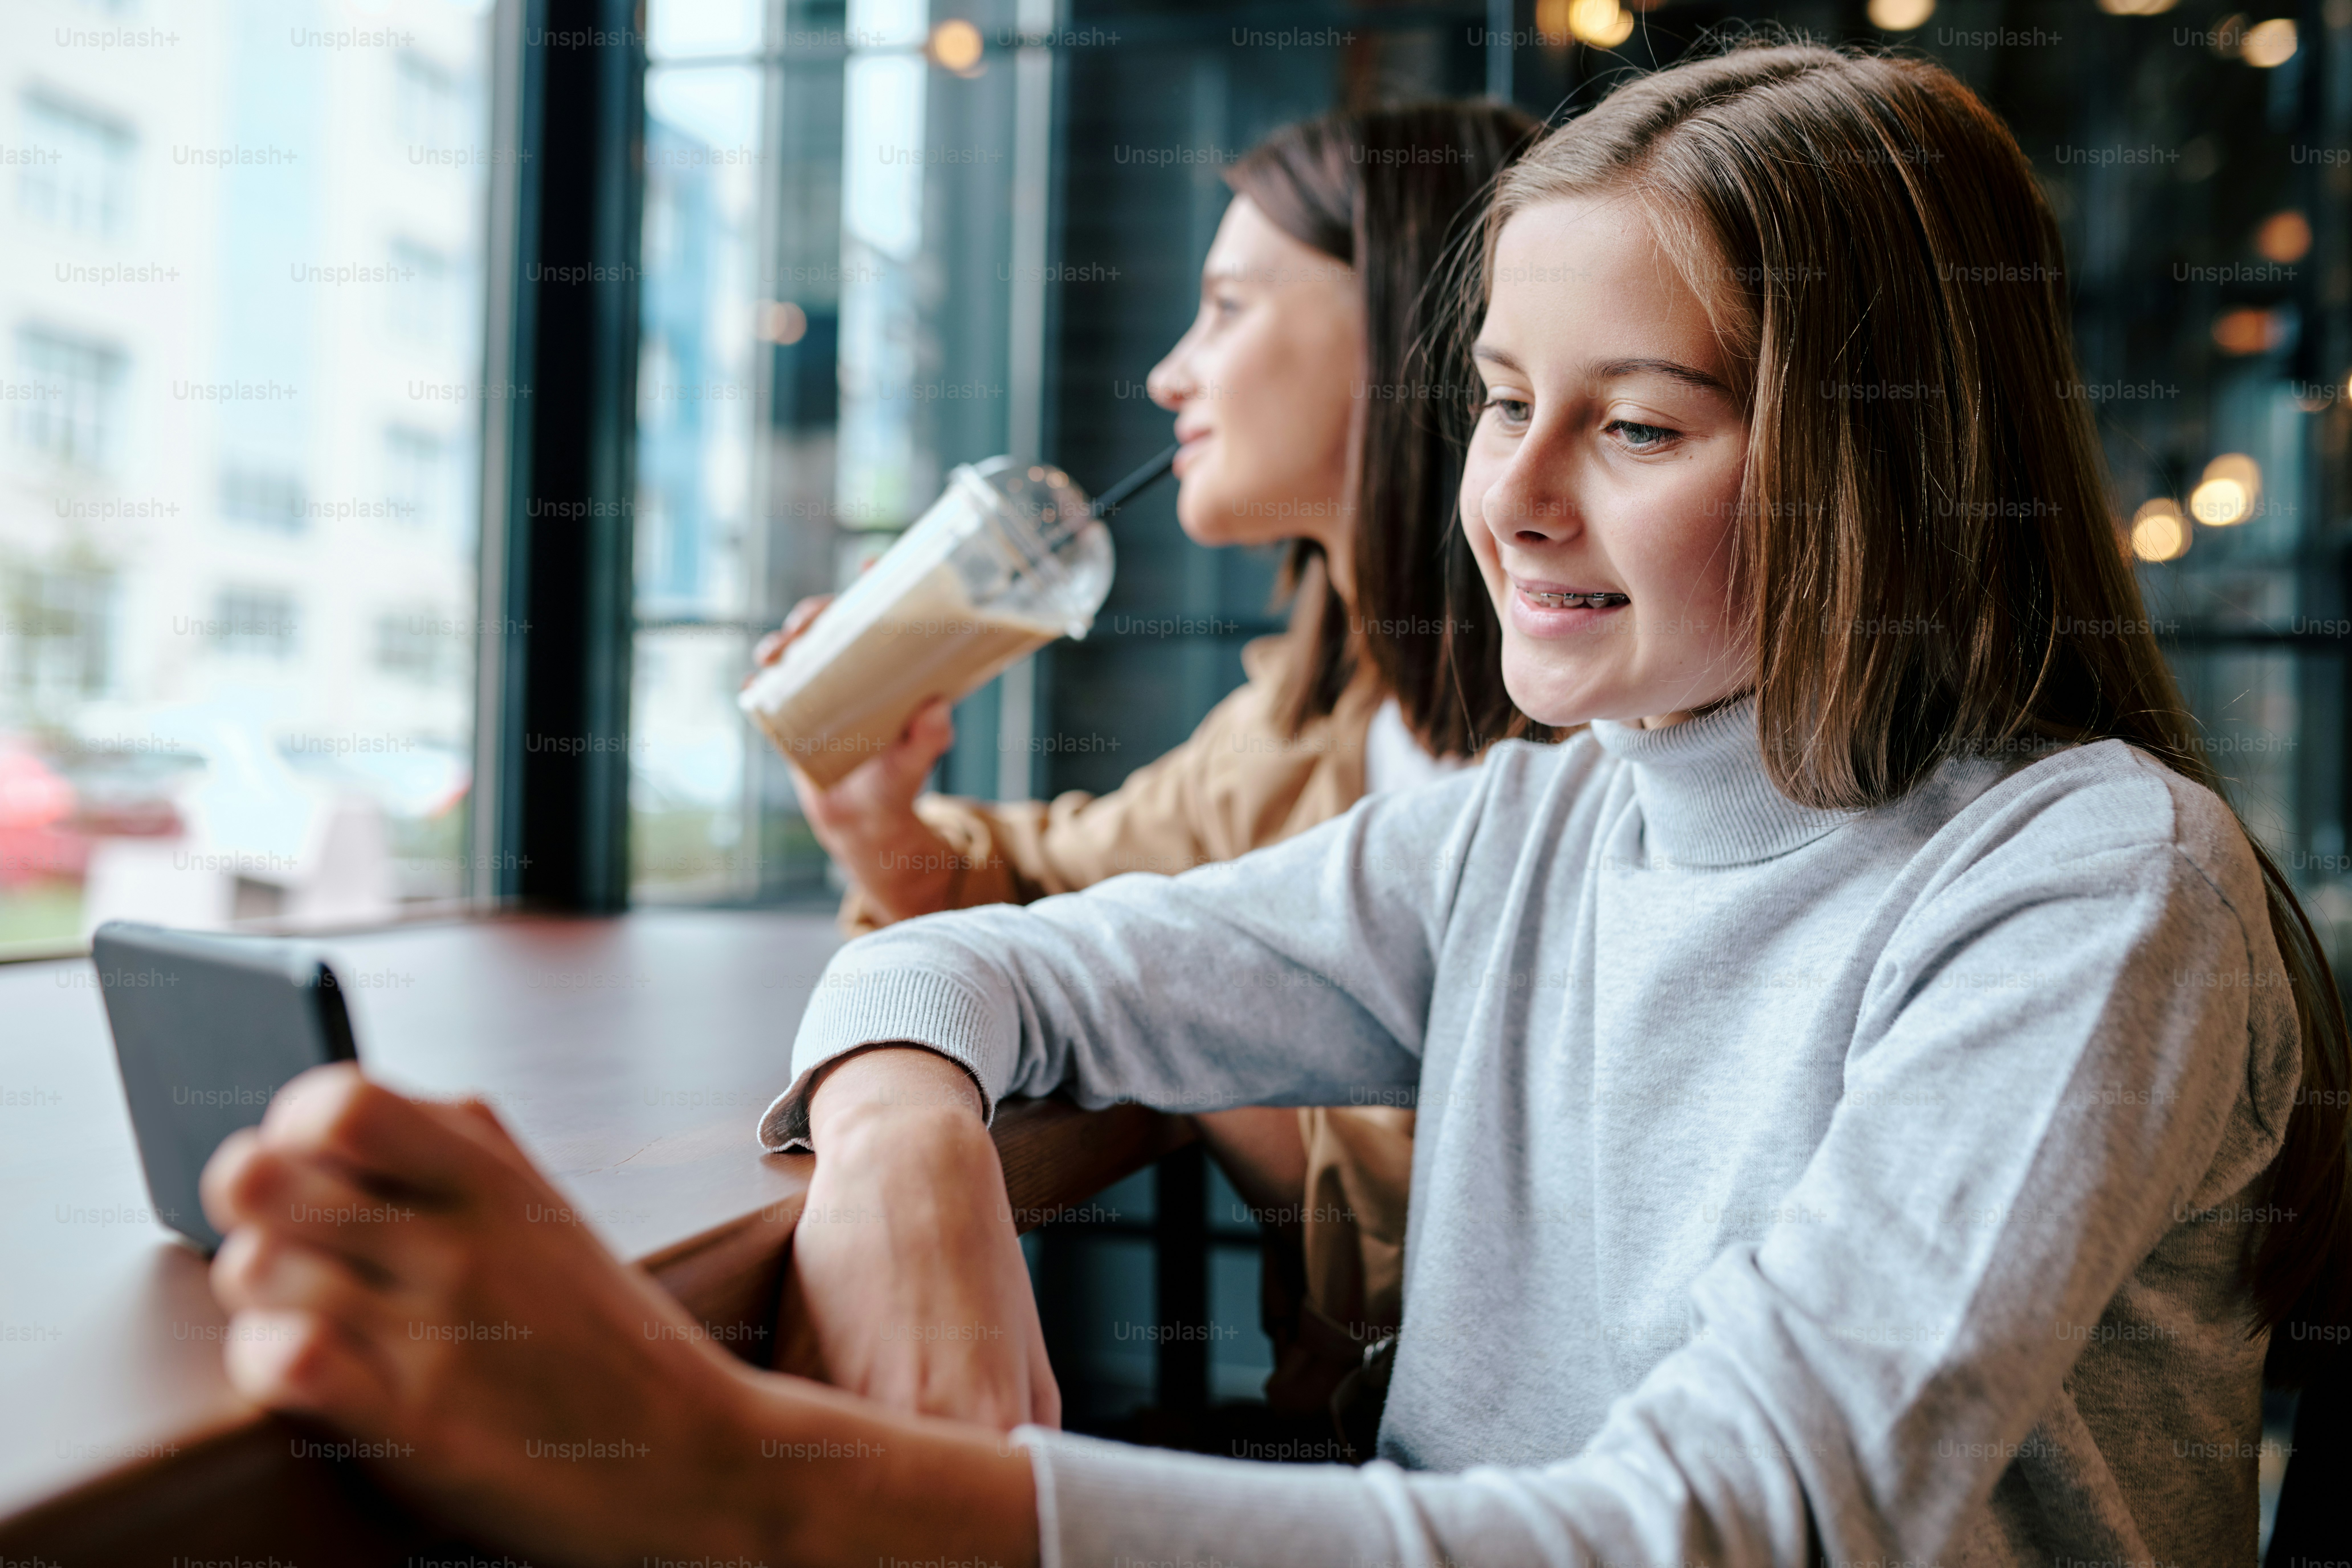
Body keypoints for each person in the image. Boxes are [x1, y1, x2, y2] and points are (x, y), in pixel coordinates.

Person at [195, 39, 2351, 1568]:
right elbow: (979, 954)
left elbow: (1728, 1535)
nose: (1501, 497)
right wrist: (891, 1120)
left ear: (1877, 462)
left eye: (1635, 425)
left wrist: (740, 1478)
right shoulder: (1539, 820)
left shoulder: (2084, 891)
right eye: (1500, 400)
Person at [751, 101, 1548, 1427]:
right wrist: (874, 809)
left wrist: (1214, 1044)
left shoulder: (1615, 759)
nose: (1170, 374)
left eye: (1229, 308)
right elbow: (1040, 890)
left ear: (1411, 332)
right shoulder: (1303, 724)